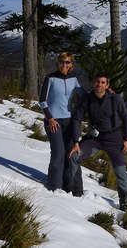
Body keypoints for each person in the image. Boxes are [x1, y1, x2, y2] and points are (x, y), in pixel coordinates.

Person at [68, 72, 127, 210]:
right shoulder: (88, 99)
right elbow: (77, 118)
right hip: (95, 139)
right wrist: (76, 141)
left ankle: (125, 203)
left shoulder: (115, 99)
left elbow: (126, 117)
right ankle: (71, 190)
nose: (100, 85)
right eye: (97, 82)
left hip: (115, 139)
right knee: (74, 156)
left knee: (120, 173)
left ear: (107, 85)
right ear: (93, 83)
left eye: (103, 82)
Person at [39, 52, 84, 195]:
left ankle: (74, 189)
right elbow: (42, 100)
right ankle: (54, 186)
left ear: (71, 64)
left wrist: (105, 92)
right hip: (53, 121)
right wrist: (50, 118)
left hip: (70, 121)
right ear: (58, 63)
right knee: (58, 153)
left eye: (68, 62)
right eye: (62, 62)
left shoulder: (74, 79)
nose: (65, 65)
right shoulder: (50, 78)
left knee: (72, 154)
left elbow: (84, 96)